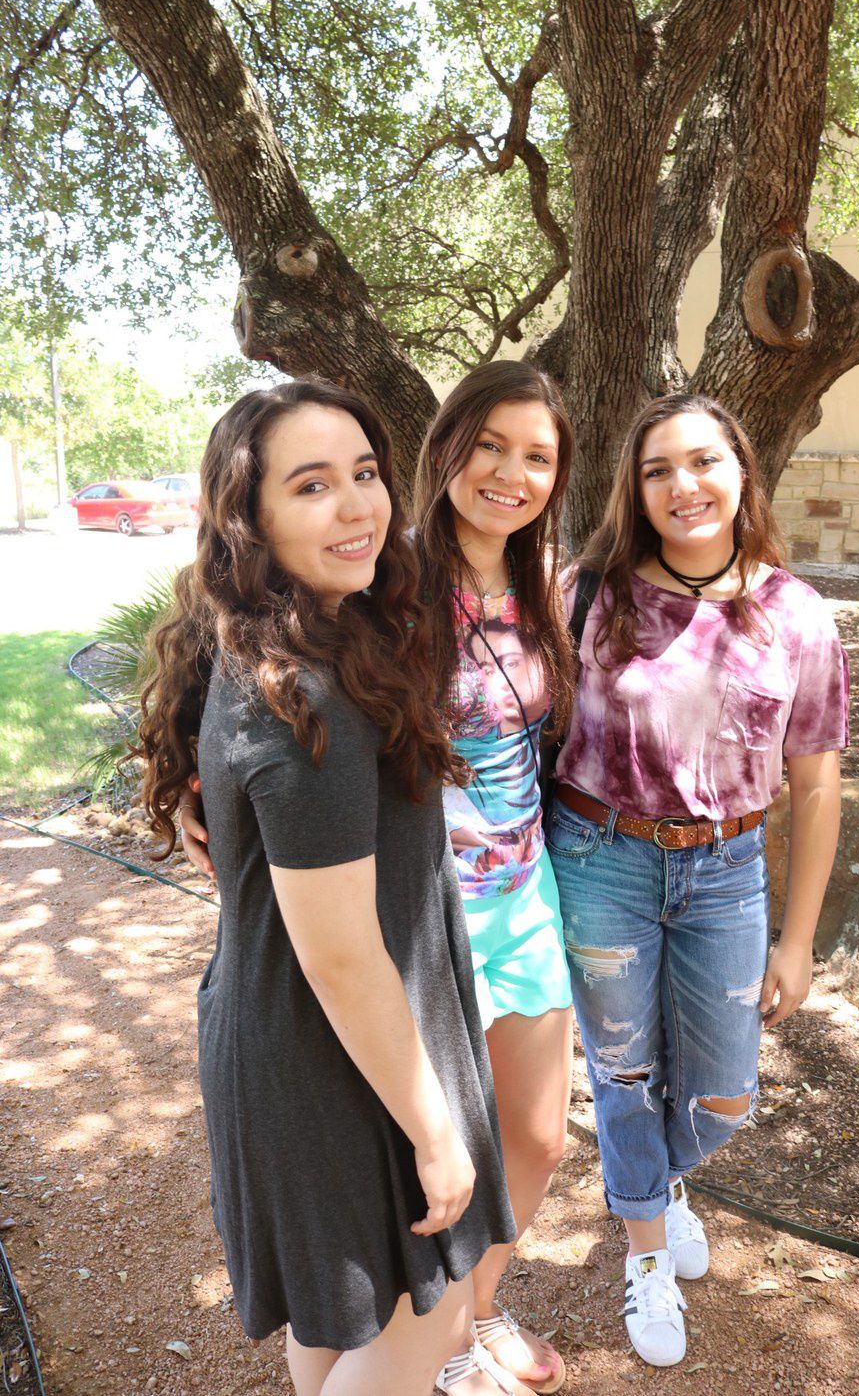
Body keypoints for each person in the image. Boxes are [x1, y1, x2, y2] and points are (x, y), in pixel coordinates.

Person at [137, 380, 515, 1396]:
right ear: (248, 521)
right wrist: (435, 1131)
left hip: (311, 1039)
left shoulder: (288, 641)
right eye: (311, 486)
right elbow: (342, 956)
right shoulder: (304, 696)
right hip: (332, 1058)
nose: (357, 507)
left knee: (341, 1313)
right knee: (431, 1316)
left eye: (365, 473)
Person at [546, 393, 848, 1368]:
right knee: (623, 1069)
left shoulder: (794, 615)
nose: (683, 485)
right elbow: (483, 703)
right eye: (657, 470)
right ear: (633, 491)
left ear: (741, 471)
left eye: (704, 461)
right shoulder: (585, 593)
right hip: (600, 857)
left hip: (725, 871)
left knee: (723, 1094)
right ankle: (644, 1248)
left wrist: (798, 941)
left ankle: (657, 1180)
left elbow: (816, 784)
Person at [414, 362, 578, 1396]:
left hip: (524, 895)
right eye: (491, 445)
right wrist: (197, 790)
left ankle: (476, 1310)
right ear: (448, 445)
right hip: (422, 914)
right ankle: (431, 1346)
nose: (511, 474)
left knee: (537, 1136)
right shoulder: (386, 580)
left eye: (537, 457)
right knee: (437, 1154)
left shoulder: (543, 585)